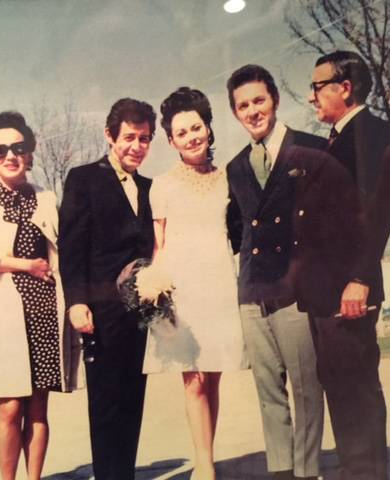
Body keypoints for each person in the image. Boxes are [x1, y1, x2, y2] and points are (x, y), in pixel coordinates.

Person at [0, 111, 81, 480]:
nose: (10, 156)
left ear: (29, 152)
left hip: (42, 309)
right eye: (0, 150)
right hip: (0, 312)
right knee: (10, 407)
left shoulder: (44, 197)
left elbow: (61, 251)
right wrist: (23, 265)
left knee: (39, 407)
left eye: (18, 148)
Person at [225, 65, 324, 480]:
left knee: (306, 389)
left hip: (296, 291)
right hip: (253, 292)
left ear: (275, 100)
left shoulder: (311, 150)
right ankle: (281, 473)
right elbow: (237, 229)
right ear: (235, 113)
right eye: (243, 105)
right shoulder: (235, 167)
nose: (252, 111)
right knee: (269, 393)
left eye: (259, 100)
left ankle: (307, 472)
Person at [307, 50, 390, 480]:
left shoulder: (371, 134)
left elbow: (377, 212)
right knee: (342, 385)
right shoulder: (339, 137)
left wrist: (360, 279)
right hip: (329, 288)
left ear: (344, 88)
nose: (311, 97)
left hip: (350, 288)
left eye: (317, 86)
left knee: (355, 386)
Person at [143, 86, 243, 480]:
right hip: (183, 290)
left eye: (196, 128)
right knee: (193, 379)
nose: (191, 137)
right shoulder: (162, 185)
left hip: (219, 284)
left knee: (213, 374)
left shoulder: (228, 179)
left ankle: (208, 455)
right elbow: (159, 245)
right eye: (181, 133)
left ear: (208, 128)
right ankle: (204, 467)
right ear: (171, 140)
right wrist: (156, 290)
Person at [58, 98, 156, 480]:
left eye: (145, 138)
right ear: (109, 136)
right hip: (99, 312)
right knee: (105, 403)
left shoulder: (150, 187)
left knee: (133, 398)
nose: (137, 146)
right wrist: (77, 302)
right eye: (129, 137)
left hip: (140, 313)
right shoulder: (83, 179)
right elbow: (72, 245)